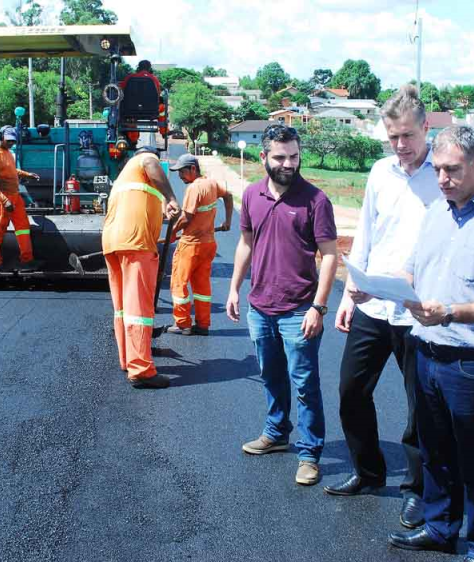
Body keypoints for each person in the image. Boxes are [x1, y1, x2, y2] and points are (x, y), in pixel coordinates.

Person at [385, 127, 474, 562]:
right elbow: (413, 271)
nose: (441, 178)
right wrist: (380, 288)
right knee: (435, 450)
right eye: (438, 169)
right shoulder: (435, 214)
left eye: (452, 169)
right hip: (424, 350)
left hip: (473, 361)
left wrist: (451, 312)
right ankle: (440, 528)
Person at [324, 85, 440, 528]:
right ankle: (368, 472)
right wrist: (350, 290)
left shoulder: (442, 174)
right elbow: (367, 234)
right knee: (352, 392)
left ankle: (418, 490)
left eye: (407, 136)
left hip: (417, 312)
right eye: (392, 137)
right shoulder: (379, 172)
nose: (400, 145)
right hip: (372, 307)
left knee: (420, 408)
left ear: (426, 128)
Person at [226, 124, 338, 486]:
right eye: (280, 157)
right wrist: (234, 289)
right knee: (271, 375)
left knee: (305, 384)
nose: (289, 163)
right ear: (264, 157)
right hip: (260, 306)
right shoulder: (252, 195)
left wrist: (318, 308)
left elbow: (331, 257)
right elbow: (246, 244)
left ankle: (309, 454)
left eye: (294, 156)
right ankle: (276, 433)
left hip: (298, 310)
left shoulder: (315, 200)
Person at [102, 146, 180, 389]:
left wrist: (164, 211)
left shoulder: (127, 180)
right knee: (139, 309)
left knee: (123, 308)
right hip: (136, 243)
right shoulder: (145, 160)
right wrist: (171, 198)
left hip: (113, 242)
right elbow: (150, 162)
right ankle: (141, 369)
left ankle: (128, 359)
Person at [165, 154, 233, 336]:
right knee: (202, 286)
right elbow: (229, 196)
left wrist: (172, 232)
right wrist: (228, 221)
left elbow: (186, 217)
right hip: (208, 244)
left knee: (178, 283)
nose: (179, 175)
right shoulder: (211, 183)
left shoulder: (194, 188)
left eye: (182, 171)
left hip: (191, 245)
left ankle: (182, 324)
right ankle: (203, 324)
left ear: (193, 169)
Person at [0, 126, 41, 272]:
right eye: (8, 140)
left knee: (23, 228)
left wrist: (26, 174)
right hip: (1, 199)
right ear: (0, 137)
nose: (11, 143)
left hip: (15, 197)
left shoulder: (8, 153)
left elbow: (10, 170)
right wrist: (4, 200)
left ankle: (26, 260)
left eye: (13, 141)